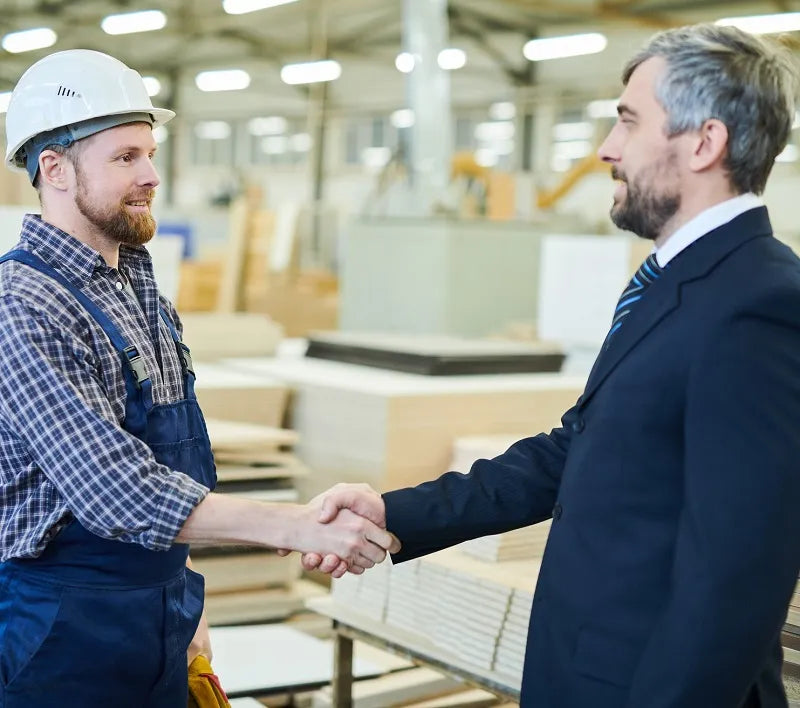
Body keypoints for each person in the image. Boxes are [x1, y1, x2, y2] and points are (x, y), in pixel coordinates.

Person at [299, 24, 800, 708]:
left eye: (627, 122)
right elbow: (578, 449)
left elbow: (738, 575)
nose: (606, 149)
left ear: (704, 142)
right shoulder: (674, 281)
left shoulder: (758, 303)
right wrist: (393, 512)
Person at [0, 49, 398, 708]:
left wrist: (182, 597)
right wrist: (295, 526)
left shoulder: (142, 290)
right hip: (61, 639)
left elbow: (170, 470)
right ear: (55, 168)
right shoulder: (23, 302)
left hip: (157, 615)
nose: (153, 174)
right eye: (126, 157)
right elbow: (117, 490)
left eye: (151, 153)